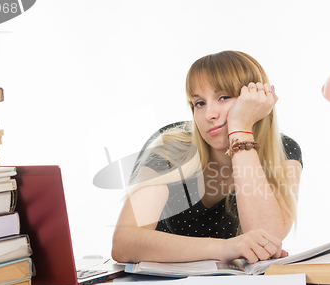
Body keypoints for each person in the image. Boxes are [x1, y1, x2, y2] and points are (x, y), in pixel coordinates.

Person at [111, 51, 302, 264]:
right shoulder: (171, 147)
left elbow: (267, 237)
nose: (209, 114)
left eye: (224, 97)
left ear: (254, 100)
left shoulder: (284, 150)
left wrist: (240, 130)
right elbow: (124, 242)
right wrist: (223, 247)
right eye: (199, 103)